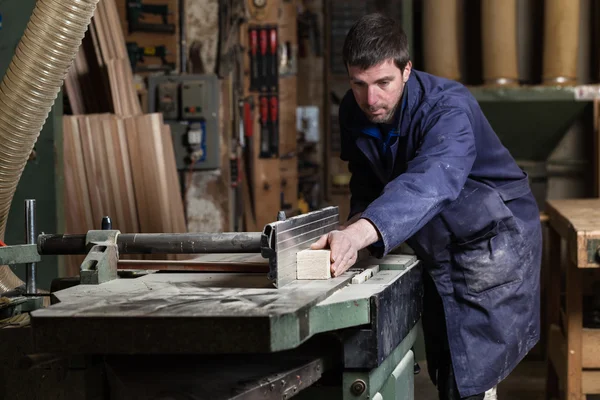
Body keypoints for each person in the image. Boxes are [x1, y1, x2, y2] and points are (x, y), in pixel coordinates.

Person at [310, 13, 542, 400]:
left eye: (383, 83)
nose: (371, 99)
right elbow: (366, 178)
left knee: (468, 376)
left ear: (406, 70)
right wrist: (355, 240)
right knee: (444, 358)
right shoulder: (355, 110)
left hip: (490, 236)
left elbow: (432, 180)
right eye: (358, 84)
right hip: (436, 231)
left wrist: (357, 232)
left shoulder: (448, 107)